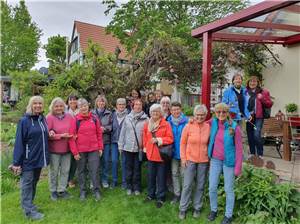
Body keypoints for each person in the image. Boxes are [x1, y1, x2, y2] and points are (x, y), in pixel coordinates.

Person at [12, 96, 49, 220]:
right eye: (35, 103)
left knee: (33, 183)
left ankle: (30, 205)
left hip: (39, 158)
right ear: (31, 105)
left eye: (40, 103)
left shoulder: (42, 119)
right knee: (27, 184)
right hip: (28, 159)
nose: (38, 105)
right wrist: (16, 162)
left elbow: (43, 136)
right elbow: (19, 142)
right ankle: (28, 212)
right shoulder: (24, 121)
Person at [207, 103, 243, 224]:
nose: (221, 114)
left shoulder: (234, 127)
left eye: (223, 112)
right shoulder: (213, 123)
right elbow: (199, 121)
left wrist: (238, 167)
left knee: (229, 189)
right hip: (215, 160)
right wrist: (191, 121)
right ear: (215, 113)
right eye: (218, 112)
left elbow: (239, 149)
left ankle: (228, 215)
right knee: (212, 187)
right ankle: (214, 210)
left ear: (227, 113)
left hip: (229, 162)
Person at [178, 105, 210, 220]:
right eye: (197, 114)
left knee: (200, 185)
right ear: (194, 115)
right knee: (187, 185)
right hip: (190, 160)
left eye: (202, 115)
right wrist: (183, 158)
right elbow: (182, 143)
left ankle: (197, 207)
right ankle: (183, 208)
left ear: (205, 115)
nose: (200, 117)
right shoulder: (188, 126)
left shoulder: (208, 127)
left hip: (203, 161)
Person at [69, 98, 103, 201]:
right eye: (80, 106)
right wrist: (75, 152)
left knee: (95, 170)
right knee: (81, 171)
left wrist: (100, 147)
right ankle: (83, 191)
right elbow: (71, 137)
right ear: (78, 108)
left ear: (88, 106)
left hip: (94, 149)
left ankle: (96, 190)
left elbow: (99, 134)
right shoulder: (75, 120)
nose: (83, 108)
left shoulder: (94, 118)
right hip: (81, 150)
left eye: (84, 106)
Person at [143, 104, 174, 208]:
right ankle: (151, 195)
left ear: (160, 113)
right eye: (153, 112)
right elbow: (145, 137)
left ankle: (161, 197)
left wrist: (159, 140)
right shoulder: (147, 124)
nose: (155, 113)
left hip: (161, 156)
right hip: (151, 155)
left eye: (157, 111)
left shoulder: (166, 124)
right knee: (150, 176)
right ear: (150, 113)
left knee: (161, 178)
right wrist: (145, 148)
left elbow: (170, 139)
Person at [118, 99, 148, 195]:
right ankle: (129, 186)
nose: (138, 106)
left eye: (140, 105)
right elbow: (123, 132)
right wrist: (120, 145)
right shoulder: (127, 118)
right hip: (128, 148)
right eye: (136, 105)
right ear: (133, 106)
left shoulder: (146, 119)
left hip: (139, 149)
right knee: (128, 168)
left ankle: (137, 187)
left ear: (142, 106)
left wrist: (145, 147)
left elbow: (148, 135)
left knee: (137, 169)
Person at [47, 97, 74, 201]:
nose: (59, 108)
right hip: (54, 150)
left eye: (61, 106)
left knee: (65, 170)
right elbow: (47, 134)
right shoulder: (49, 117)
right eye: (56, 106)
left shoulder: (69, 117)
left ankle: (62, 190)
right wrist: (60, 136)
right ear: (53, 107)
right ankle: (53, 191)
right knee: (53, 171)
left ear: (64, 106)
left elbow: (73, 129)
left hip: (67, 149)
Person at [167, 102, 188, 204]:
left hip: (184, 153)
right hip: (173, 152)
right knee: (174, 173)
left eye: (177, 109)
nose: (176, 111)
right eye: (173, 110)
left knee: (184, 174)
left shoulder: (187, 121)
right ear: (171, 111)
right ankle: (177, 194)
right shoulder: (168, 122)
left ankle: (185, 195)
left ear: (181, 110)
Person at [246, 76, 273, 158]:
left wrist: (262, 99)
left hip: (258, 117)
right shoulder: (245, 92)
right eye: (250, 81)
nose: (252, 83)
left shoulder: (264, 92)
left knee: (256, 135)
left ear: (258, 83)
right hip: (248, 117)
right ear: (248, 83)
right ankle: (252, 153)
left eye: (254, 81)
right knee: (250, 135)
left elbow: (270, 104)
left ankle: (260, 153)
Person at [93, 95, 112, 188]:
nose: (101, 103)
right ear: (96, 103)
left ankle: (104, 180)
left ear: (105, 103)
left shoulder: (109, 113)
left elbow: (112, 126)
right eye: (99, 101)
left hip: (105, 141)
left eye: (103, 101)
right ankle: (94, 181)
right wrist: (96, 129)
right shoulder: (92, 113)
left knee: (105, 161)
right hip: (94, 142)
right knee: (95, 163)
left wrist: (104, 128)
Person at [111, 98, 129, 189]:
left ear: (125, 105)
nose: (121, 106)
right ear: (116, 106)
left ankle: (124, 181)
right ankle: (114, 180)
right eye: (119, 104)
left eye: (123, 104)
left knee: (124, 162)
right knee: (114, 161)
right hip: (114, 142)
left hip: (125, 143)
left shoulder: (129, 115)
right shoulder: (113, 115)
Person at [66, 94, 79, 188]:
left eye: (74, 100)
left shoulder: (80, 111)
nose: (72, 102)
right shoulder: (65, 112)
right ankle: (66, 179)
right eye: (70, 100)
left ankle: (71, 179)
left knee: (75, 161)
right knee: (67, 161)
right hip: (67, 139)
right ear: (68, 102)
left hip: (78, 139)